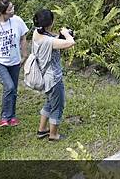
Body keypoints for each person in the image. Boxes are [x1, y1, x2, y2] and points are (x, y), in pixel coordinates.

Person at [32, 9, 75, 141]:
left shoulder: (36, 33)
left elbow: (52, 40)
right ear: (50, 23)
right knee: (58, 106)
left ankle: (42, 130)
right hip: (53, 78)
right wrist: (67, 34)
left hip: (44, 76)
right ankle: (53, 135)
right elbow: (70, 43)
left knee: (50, 102)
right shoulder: (49, 41)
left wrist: (60, 37)